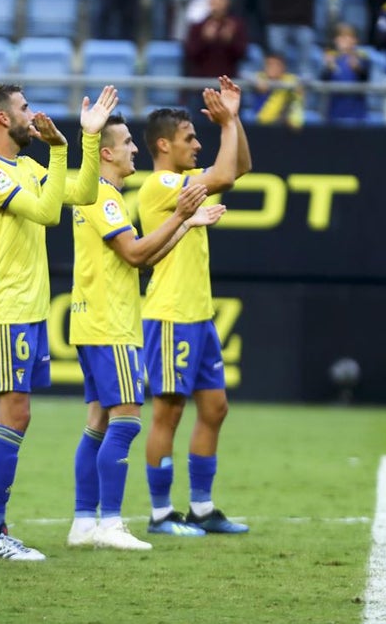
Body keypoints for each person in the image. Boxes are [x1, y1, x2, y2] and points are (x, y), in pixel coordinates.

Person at [0, 83, 114, 560]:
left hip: (26, 310)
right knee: (15, 413)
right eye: (24, 108)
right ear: (3, 120)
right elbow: (49, 214)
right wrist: (60, 148)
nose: (33, 114)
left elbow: (84, 192)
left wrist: (86, 141)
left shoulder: (24, 166)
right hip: (5, 307)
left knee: (8, 416)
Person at [66, 112, 225, 552]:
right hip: (110, 323)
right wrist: (179, 215)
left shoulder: (101, 194)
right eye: (128, 142)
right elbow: (137, 255)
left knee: (98, 422)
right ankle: (111, 522)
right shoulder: (106, 197)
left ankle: (83, 521)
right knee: (127, 420)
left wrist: (185, 224)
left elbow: (145, 255)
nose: (136, 148)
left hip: (92, 319)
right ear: (108, 153)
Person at [140, 78, 252, 537]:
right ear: (164, 145)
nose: (197, 144)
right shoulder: (162, 184)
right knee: (168, 411)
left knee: (215, 408)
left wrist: (235, 119)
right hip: (170, 315)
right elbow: (225, 175)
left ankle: (202, 508)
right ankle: (162, 513)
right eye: (190, 137)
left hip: (199, 316)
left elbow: (240, 166)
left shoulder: (185, 182)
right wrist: (226, 123)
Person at [183, 0, 248, 82]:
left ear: (228, 1)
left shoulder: (235, 26)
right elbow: (190, 54)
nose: (215, 2)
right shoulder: (198, 26)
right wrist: (204, 40)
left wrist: (230, 41)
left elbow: (243, 54)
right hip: (201, 83)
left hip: (227, 83)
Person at [320, 23, 370, 123]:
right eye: (342, 37)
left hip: (356, 115)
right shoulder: (332, 58)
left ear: (355, 40)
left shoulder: (362, 57)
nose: (345, 41)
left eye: (348, 37)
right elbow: (323, 83)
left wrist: (357, 69)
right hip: (334, 113)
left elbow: (366, 79)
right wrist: (328, 68)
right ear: (336, 40)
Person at [252, 51, 304, 127]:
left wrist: (293, 121)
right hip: (259, 124)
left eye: (276, 65)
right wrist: (257, 83)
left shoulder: (290, 81)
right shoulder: (259, 78)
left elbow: (296, 116)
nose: (272, 68)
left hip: (283, 125)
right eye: (269, 64)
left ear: (283, 67)